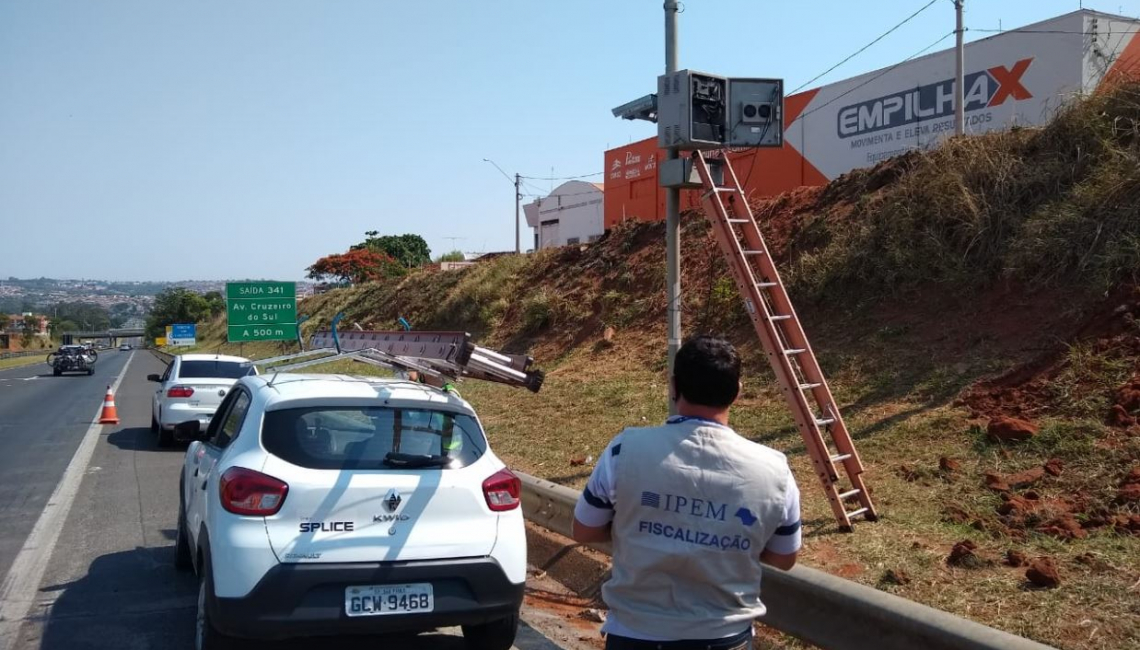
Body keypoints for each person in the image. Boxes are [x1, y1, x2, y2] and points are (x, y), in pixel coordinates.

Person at [572, 335, 801, 650]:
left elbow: (584, 530)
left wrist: (641, 526)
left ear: (673, 385)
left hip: (636, 634)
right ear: (737, 392)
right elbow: (784, 557)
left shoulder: (625, 450)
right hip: (724, 637)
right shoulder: (775, 470)